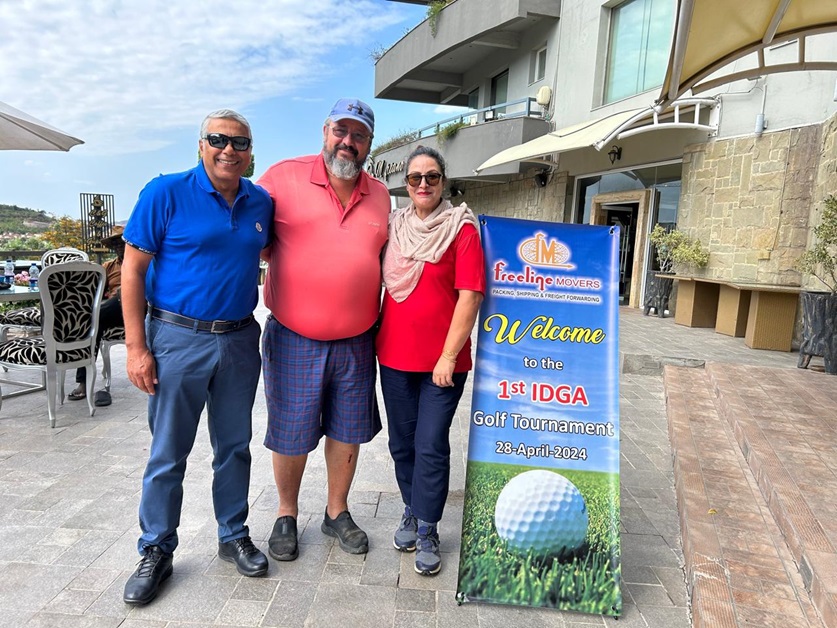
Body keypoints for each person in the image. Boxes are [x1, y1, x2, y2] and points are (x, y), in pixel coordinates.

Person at [120, 109, 273, 605]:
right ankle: (156, 548)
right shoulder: (164, 193)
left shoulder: (260, 203)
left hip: (238, 340)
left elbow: (274, 255)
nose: (229, 150)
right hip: (175, 338)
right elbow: (132, 271)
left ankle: (233, 535)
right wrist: (137, 347)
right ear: (201, 145)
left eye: (240, 143)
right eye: (218, 140)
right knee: (168, 453)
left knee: (234, 446)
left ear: (250, 152)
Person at [257, 98, 389, 561]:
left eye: (359, 136)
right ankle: (286, 514)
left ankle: (337, 512)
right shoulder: (281, 178)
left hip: (356, 339)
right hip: (294, 335)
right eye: (341, 131)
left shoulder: (382, 196)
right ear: (325, 131)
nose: (348, 143)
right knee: (291, 429)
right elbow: (246, 238)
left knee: (346, 429)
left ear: (369, 144)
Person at [376, 146, 485, 576]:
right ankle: (411, 507)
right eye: (416, 177)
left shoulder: (461, 229)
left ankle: (428, 527)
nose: (424, 184)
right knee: (401, 444)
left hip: (444, 364)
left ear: (444, 181)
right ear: (406, 184)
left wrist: (448, 354)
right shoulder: (394, 227)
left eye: (432, 177)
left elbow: (470, 296)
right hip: (395, 357)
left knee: (431, 445)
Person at [68, 226, 126, 407]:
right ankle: (83, 381)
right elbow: (95, 291)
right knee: (92, 324)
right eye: (115, 243)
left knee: (97, 313)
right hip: (113, 311)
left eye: (121, 242)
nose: (118, 246)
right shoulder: (108, 266)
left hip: (138, 308)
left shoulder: (143, 263)